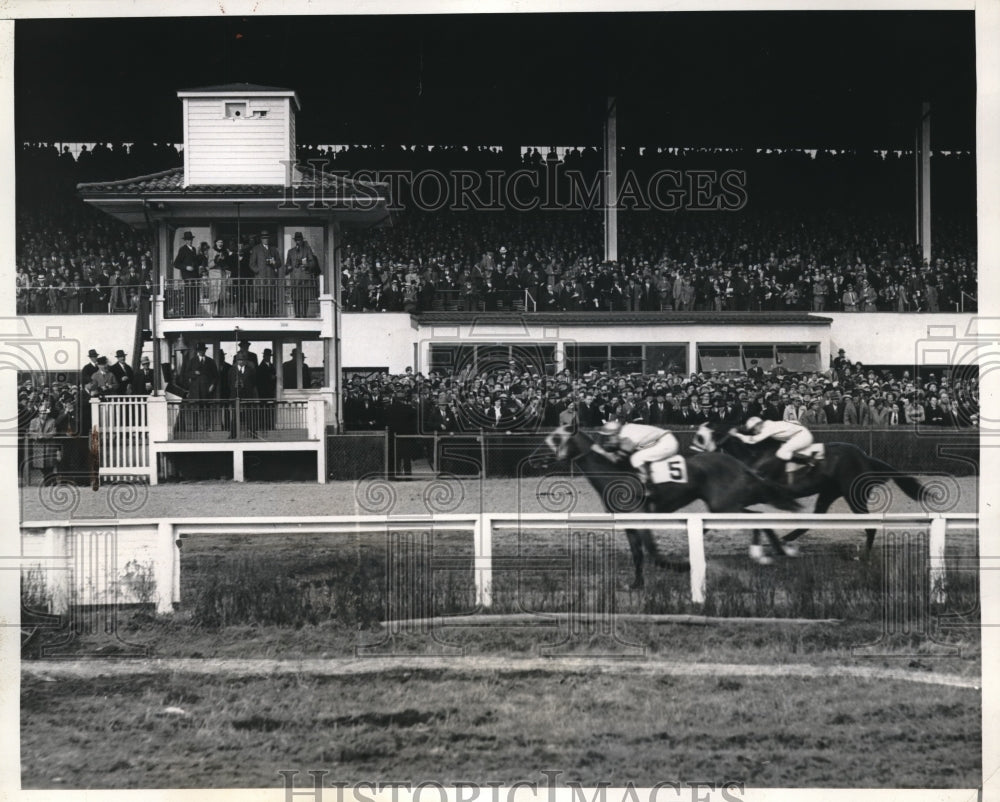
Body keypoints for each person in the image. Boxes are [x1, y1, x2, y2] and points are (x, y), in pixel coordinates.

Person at [593, 419, 680, 488]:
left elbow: (617, 459)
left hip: (666, 443)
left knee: (636, 458)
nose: (608, 440)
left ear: (615, 434)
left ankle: (648, 484)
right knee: (638, 457)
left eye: (609, 436)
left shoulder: (627, 437)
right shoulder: (625, 429)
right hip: (661, 441)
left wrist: (601, 451)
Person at [731, 416, 817, 482]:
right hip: (799, 434)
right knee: (782, 451)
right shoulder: (769, 423)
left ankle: (809, 460)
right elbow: (795, 421)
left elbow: (753, 440)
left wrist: (737, 435)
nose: (754, 432)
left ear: (758, 425)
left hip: (802, 436)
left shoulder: (767, 428)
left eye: (754, 429)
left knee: (781, 453)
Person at [181, 343, 218, 431]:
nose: (201, 352)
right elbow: (186, 373)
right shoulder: (192, 361)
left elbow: (216, 376)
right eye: (200, 350)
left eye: (203, 350)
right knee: (195, 408)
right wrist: (194, 373)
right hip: (195, 389)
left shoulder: (210, 361)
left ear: (205, 351)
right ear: (197, 351)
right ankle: (195, 427)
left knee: (207, 408)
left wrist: (212, 385)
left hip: (206, 389)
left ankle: (207, 427)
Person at [285, 232, 319, 317]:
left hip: (304, 277)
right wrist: (289, 267)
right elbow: (287, 265)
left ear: (302, 240)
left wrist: (305, 264)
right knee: (295, 298)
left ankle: (304, 315)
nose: (298, 241)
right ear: (295, 241)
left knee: (304, 298)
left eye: (299, 240)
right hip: (295, 279)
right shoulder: (290, 252)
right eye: (297, 240)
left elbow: (313, 263)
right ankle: (297, 315)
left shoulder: (307, 249)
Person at [249, 230, 281, 315]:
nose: (265, 240)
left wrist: (274, 263)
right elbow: (251, 264)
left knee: (270, 298)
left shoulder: (273, 249)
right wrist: (258, 271)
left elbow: (279, 263)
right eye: (264, 238)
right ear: (261, 239)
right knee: (261, 298)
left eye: (267, 238)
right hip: (261, 278)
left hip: (271, 277)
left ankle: (270, 314)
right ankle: (260, 315)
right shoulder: (256, 249)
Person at [229, 351, 259, 438]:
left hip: (248, 396)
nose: (241, 362)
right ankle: (233, 434)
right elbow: (229, 383)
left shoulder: (250, 370)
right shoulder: (232, 371)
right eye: (239, 360)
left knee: (250, 415)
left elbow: (254, 382)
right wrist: (235, 386)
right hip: (235, 396)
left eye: (242, 360)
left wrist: (245, 385)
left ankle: (253, 433)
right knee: (234, 417)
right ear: (236, 361)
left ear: (246, 361)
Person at [172, 231, 201, 315]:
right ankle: (188, 314)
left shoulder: (194, 249)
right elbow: (176, 264)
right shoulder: (183, 249)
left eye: (191, 239)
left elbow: (196, 262)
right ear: (185, 240)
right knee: (189, 296)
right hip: (187, 277)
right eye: (188, 239)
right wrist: (186, 267)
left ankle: (194, 313)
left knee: (195, 296)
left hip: (195, 277)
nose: (190, 241)